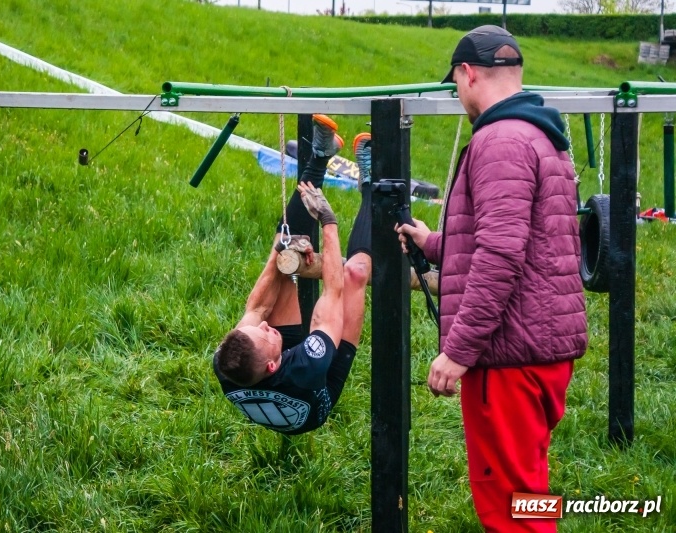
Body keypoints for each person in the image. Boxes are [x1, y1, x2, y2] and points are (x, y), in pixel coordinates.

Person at [396, 25, 588, 532]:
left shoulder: (499, 140)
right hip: (540, 349)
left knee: (511, 507)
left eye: (456, 84)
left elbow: (501, 256)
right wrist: (433, 243)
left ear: (468, 73)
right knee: (530, 488)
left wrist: (458, 351)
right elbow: (531, 243)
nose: (459, 95)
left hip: (509, 358)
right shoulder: (540, 134)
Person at [213, 115, 373, 435]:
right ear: (274, 364)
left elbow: (257, 307)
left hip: (269, 369)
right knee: (354, 274)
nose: (265, 326)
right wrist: (328, 220)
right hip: (318, 387)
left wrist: (283, 249)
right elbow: (332, 293)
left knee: (283, 258)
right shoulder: (307, 364)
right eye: (267, 333)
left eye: (258, 329)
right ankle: (371, 184)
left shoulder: (227, 360)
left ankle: (320, 157)